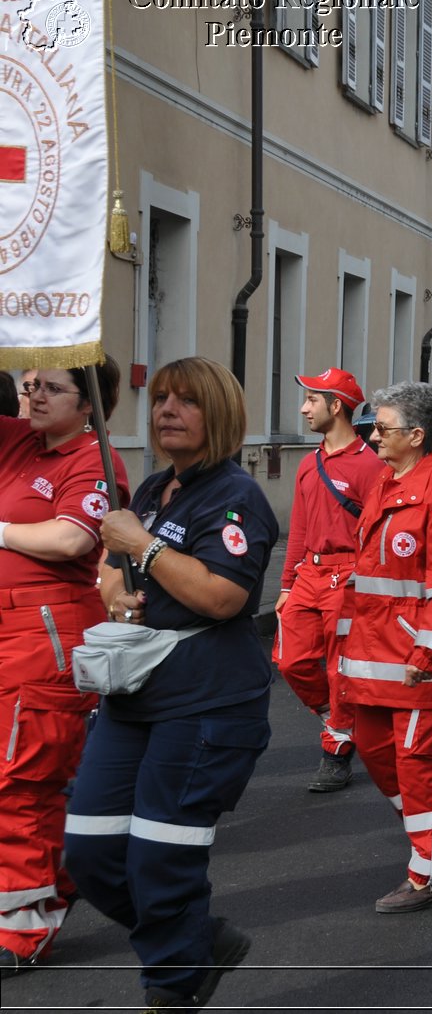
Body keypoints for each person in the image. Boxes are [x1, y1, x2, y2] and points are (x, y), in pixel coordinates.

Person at [65, 357, 276, 1009]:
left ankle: (173, 987)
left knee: (159, 861)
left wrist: (147, 549)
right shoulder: (156, 487)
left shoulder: (236, 496)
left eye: (186, 400)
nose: (167, 410)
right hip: (134, 699)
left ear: (218, 415)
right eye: (160, 399)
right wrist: (116, 588)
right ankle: (193, 943)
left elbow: (223, 596)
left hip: (206, 705)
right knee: (91, 855)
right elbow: (110, 558)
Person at [0, 359, 129, 981]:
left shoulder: (95, 458)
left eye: (52, 388)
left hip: (43, 633)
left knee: (21, 778)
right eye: (31, 385)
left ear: (91, 404)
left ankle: (24, 928)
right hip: (8, 630)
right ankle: (60, 875)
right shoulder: (18, 442)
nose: (35, 396)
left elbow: (74, 540)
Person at [341, 381, 432, 910]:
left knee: (418, 764)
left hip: (423, 663)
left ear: (416, 435)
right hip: (374, 656)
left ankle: (428, 873)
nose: (373, 436)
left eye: (382, 428)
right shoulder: (385, 481)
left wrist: (428, 653)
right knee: (378, 756)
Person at [274, 368, 384, 793]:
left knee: (341, 669)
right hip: (309, 575)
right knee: (291, 661)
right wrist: (285, 586)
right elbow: (298, 531)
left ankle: (336, 750)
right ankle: (339, 717)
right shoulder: (308, 463)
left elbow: (377, 534)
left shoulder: (370, 466)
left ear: (335, 406)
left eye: (312, 400)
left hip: (349, 575)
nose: (304, 408)